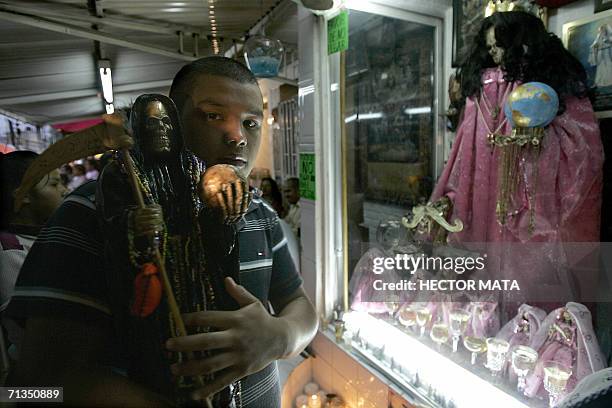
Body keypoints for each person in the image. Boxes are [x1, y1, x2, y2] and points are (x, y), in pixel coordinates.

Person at [7, 56, 318, 407]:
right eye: (213, 116)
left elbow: (300, 307)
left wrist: (282, 336)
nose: (237, 137)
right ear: (174, 121)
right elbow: (35, 384)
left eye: (250, 122)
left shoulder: (258, 211)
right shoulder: (93, 211)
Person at [430, 11, 603, 320]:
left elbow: (583, 151)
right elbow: (461, 155)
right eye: (490, 47)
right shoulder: (481, 92)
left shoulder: (549, 86)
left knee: (531, 300)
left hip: (527, 213)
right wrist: (452, 198)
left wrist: (538, 143)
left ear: (522, 44)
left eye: (499, 46)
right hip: (481, 210)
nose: (493, 54)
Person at [0, 151, 67, 367]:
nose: (65, 191)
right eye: (55, 184)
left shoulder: (44, 236)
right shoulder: (9, 251)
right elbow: (39, 331)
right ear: (24, 195)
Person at [589, 23, 612, 89]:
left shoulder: (610, 37)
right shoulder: (598, 37)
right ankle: (599, 82)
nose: (601, 31)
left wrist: (607, 42)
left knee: (609, 66)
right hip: (600, 55)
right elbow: (594, 45)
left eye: (603, 30)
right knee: (600, 68)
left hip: (608, 54)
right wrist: (595, 46)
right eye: (601, 30)